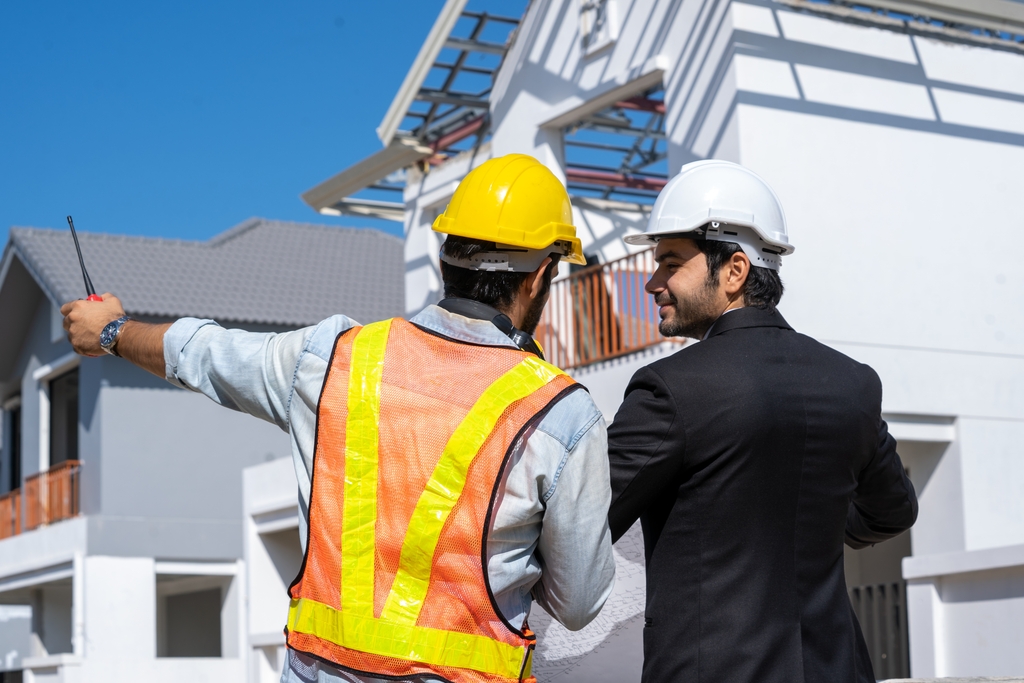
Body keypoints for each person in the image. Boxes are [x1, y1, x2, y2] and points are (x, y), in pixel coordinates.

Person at [62, 154, 615, 683]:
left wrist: (111, 333)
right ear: (541, 274)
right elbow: (579, 602)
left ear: (447, 256)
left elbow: (206, 352)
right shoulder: (560, 414)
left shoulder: (333, 358)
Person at [606, 160, 918, 683]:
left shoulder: (670, 388)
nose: (652, 282)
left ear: (734, 270)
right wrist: (807, 521)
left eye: (670, 263)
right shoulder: (853, 383)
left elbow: (582, 524)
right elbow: (892, 512)